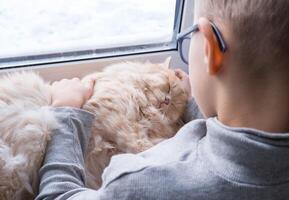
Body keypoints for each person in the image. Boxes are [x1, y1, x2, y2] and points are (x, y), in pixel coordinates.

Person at [36, 0, 289, 199]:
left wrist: (66, 113)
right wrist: (195, 100)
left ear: (209, 49)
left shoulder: (141, 184)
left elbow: (58, 196)